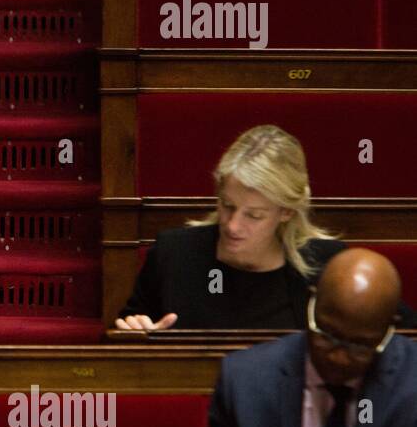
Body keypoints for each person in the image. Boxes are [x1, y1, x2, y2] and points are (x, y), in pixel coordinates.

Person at [116, 125, 415, 330]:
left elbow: (404, 337)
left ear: (285, 211)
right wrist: (137, 333)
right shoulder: (174, 254)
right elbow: (125, 334)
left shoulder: (326, 264)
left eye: (254, 215)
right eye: (227, 206)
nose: (233, 226)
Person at [186, 248, 417, 427]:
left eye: (359, 346)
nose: (339, 357)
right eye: (327, 335)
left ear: (389, 328)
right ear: (311, 305)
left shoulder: (412, 378)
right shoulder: (245, 378)